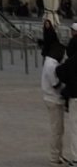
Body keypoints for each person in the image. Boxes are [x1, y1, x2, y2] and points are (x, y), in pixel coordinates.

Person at [41, 32, 65, 166]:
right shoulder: (51, 65)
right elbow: (55, 84)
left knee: (59, 129)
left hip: (51, 98)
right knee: (56, 130)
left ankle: (59, 154)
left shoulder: (49, 61)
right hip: (53, 99)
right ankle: (54, 157)